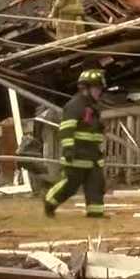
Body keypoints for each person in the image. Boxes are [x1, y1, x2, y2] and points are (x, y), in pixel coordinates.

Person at [44, 69, 108, 219]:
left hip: (93, 155)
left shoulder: (94, 107)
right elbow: (66, 129)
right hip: (77, 154)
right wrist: (68, 149)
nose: (99, 92)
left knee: (96, 185)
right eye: (97, 88)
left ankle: (95, 213)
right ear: (87, 88)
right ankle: (49, 201)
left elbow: (93, 129)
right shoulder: (75, 105)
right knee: (70, 185)